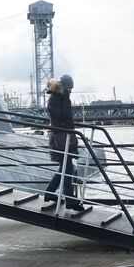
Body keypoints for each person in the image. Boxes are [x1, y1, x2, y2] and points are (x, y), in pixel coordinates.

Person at [44, 74, 83, 211]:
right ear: (64, 88)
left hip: (65, 137)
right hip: (60, 139)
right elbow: (61, 115)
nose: (71, 91)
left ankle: (49, 192)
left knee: (64, 168)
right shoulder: (55, 99)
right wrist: (66, 99)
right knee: (67, 169)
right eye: (69, 89)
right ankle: (70, 200)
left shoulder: (59, 98)